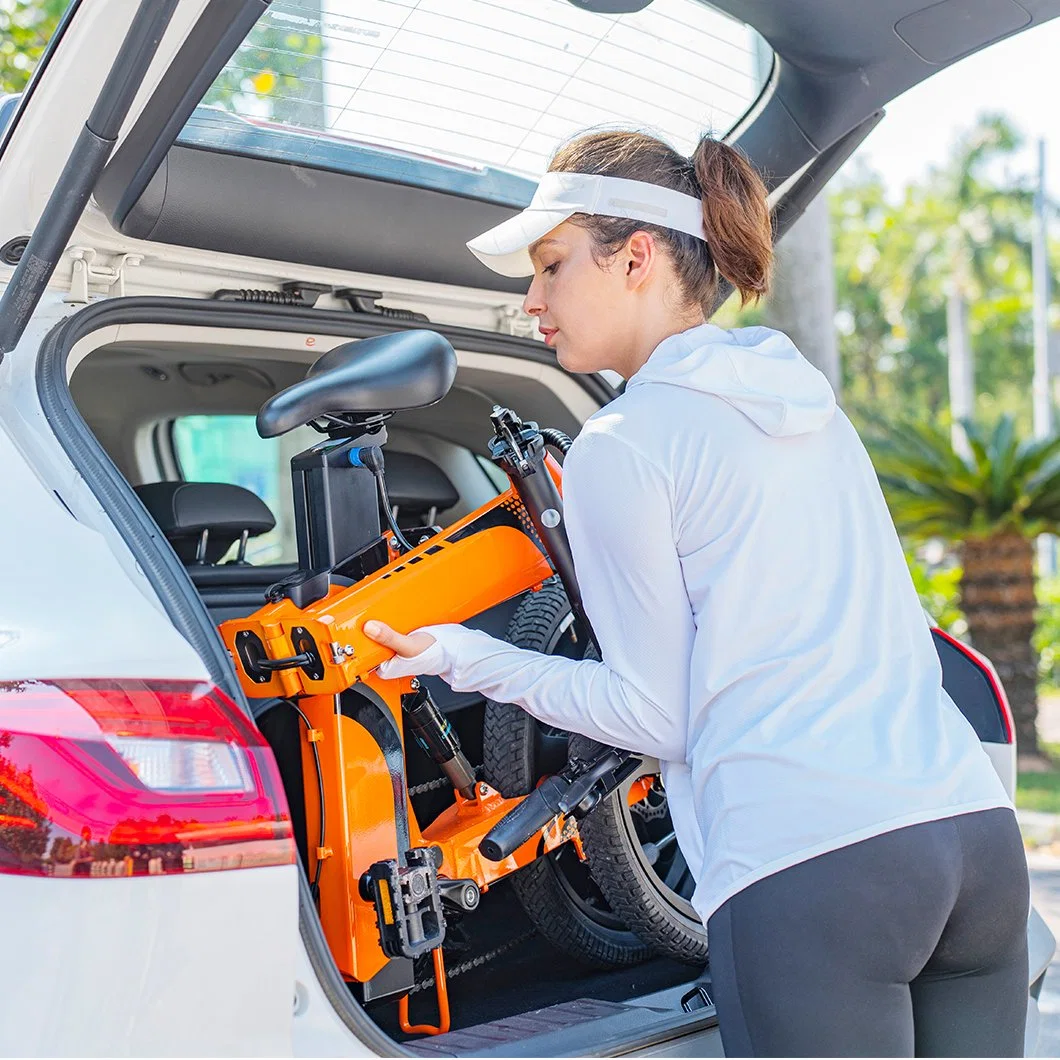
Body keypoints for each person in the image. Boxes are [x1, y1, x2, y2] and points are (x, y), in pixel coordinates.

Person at [363, 129, 1030, 1058]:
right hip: (971, 842)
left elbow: (654, 714)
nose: (532, 299)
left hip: (817, 863)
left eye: (552, 265)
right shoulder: (803, 400)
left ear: (637, 257)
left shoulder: (625, 443)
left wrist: (467, 657)